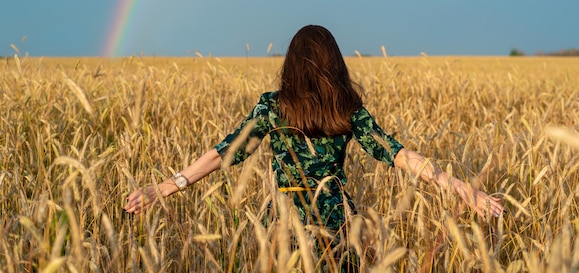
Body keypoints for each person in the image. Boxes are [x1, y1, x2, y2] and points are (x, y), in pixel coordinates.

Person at [124, 25, 504, 270]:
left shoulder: (273, 107)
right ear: (334, 64)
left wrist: (164, 187)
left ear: (292, 65)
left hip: (284, 227)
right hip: (341, 224)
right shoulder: (348, 109)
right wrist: (464, 191)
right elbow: (401, 155)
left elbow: (224, 152)